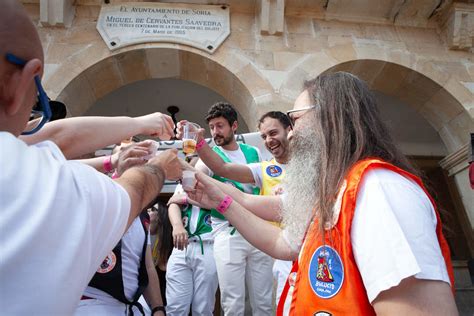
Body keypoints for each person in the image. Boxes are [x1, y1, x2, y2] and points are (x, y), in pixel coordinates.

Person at [185, 72, 457, 315]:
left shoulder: (378, 188)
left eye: (296, 119)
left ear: (330, 116)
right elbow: (284, 243)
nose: (291, 135)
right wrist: (220, 201)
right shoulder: (332, 190)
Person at [0, 1, 182, 314]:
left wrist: (130, 136)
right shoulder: (45, 187)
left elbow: (54, 139)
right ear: (18, 84)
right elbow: (135, 189)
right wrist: (158, 167)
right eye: (39, 95)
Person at [186, 111, 292, 306]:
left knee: (265, 303)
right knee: (234, 303)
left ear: (290, 130)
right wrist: (198, 144)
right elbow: (224, 169)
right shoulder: (265, 169)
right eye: (264, 136)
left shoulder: (313, 164)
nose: (269, 140)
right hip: (264, 240)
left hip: (287, 245)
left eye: (273, 133)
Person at [75, 143, 166, 316]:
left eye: (141, 159)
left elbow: (147, 266)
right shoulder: (98, 197)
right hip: (92, 303)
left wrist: (158, 308)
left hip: (127, 305)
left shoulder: (142, 215)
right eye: (129, 155)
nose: (136, 162)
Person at [165, 185, 218, 316]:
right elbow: (172, 203)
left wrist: (184, 198)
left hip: (208, 244)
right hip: (182, 245)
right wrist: (176, 225)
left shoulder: (218, 179)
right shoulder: (184, 181)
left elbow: (220, 204)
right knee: (175, 306)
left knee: (203, 308)